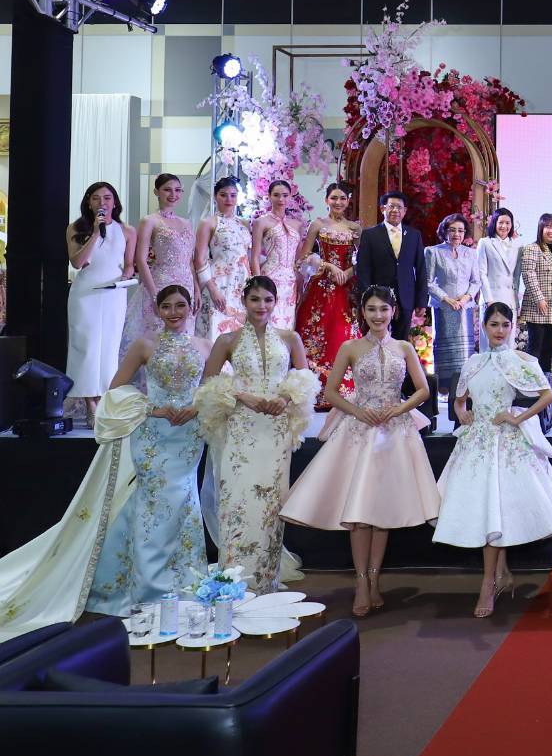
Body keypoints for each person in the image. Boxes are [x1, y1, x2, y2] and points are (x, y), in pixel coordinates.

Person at [0, 286, 208, 638]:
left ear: (192, 308)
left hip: (188, 437)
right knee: (152, 506)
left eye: (180, 305)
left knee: (186, 503)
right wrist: (152, 408)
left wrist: (197, 406)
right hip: (154, 434)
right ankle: (150, 591)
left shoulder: (205, 346)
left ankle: (186, 582)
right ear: (157, 310)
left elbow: (213, 389)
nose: (174, 312)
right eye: (167, 306)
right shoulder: (144, 345)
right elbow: (115, 390)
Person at [282, 286, 441, 618]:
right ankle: (361, 583)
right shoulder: (350, 347)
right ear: (363, 312)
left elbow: (423, 389)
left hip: (395, 432)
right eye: (371, 309)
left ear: (393, 311)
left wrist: (400, 409)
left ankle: (374, 578)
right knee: (359, 517)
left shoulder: (404, 347)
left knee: (381, 514)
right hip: (360, 430)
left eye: (383, 309)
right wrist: (358, 412)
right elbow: (330, 392)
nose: (377, 315)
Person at [433, 303, 552, 619]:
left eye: (505, 325)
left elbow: (547, 396)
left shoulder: (518, 361)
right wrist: (462, 413)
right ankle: (501, 574)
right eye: (494, 324)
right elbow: (459, 400)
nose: (499, 330)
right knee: (488, 509)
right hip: (476, 443)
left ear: (512, 327)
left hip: (505, 443)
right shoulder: (473, 362)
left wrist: (517, 416)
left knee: (497, 507)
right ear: (483, 326)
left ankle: (489, 583)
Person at [195, 275, 317, 592]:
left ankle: (265, 582)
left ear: (275, 302)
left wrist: (285, 398)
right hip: (241, 429)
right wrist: (242, 396)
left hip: (275, 432)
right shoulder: (227, 341)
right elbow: (207, 384)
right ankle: (234, 583)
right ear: (244, 301)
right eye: (255, 299)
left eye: (267, 300)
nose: (261, 306)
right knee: (236, 501)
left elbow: (305, 379)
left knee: (271, 508)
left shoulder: (290, 338)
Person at [66, 181, 133, 415]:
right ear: (88, 203)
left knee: (108, 348)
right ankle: (90, 404)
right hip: (86, 294)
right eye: (95, 198)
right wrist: (95, 232)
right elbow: (77, 262)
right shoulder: (76, 228)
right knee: (86, 347)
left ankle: (105, 400)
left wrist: (126, 276)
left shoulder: (127, 231)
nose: (101, 202)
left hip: (114, 294)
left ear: (115, 203)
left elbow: (130, 264)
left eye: (107, 198)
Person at [295, 182, 362, 404]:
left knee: (343, 334)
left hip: (347, 288)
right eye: (334, 198)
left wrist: (349, 272)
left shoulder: (355, 228)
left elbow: (363, 259)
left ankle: (344, 391)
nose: (338, 202)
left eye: (342, 198)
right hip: (322, 286)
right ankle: (317, 390)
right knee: (317, 333)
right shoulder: (318, 224)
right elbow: (304, 258)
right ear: (326, 200)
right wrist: (329, 266)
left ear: (348, 201)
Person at [121, 172, 197, 363]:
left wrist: (196, 289)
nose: (173, 195)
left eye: (178, 190)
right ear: (156, 192)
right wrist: (155, 295)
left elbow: (190, 261)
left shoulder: (186, 223)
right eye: (167, 190)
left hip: (187, 286)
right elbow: (141, 259)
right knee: (159, 339)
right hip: (161, 284)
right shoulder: (150, 221)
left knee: (184, 338)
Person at [427, 214, 484, 422]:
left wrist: (465, 298)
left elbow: (476, 281)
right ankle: (444, 390)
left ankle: (463, 390)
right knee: (445, 349)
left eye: (460, 230)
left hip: (464, 307)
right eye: (452, 230)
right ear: (445, 231)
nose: (456, 234)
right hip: (443, 307)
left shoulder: (470, 253)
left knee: (464, 352)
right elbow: (428, 281)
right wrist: (447, 299)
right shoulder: (433, 251)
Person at [356, 191, 428, 342]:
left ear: (405, 211)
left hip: (406, 297)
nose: (395, 210)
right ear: (383, 209)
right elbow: (363, 268)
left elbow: (421, 269)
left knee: (401, 342)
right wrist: (366, 296)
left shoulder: (414, 235)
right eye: (391, 206)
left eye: (399, 207)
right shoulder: (370, 235)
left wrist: (421, 301)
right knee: (375, 339)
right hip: (377, 297)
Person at [195, 176, 251, 342]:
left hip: (242, 284)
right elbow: (199, 259)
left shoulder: (244, 223)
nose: (229, 199)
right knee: (217, 330)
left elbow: (247, 255)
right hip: (219, 282)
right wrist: (213, 289)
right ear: (215, 196)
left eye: (233, 195)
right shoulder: (209, 223)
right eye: (223, 195)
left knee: (240, 336)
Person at [250, 180, 304, 330]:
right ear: (269, 196)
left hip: (291, 282)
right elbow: (255, 256)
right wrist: (258, 282)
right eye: (276, 195)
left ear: (290, 196)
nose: (281, 199)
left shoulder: (297, 224)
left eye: (285, 195)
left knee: (288, 324)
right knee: (269, 323)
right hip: (269, 278)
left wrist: (300, 284)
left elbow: (299, 259)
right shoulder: (261, 222)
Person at [519, 213, 552, 371]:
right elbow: (528, 274)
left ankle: (545, 378)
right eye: (548, 227)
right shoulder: (532, 248)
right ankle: (531, 380)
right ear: (541, 228)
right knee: (535, 347)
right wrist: (539, 298)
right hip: (537, 305)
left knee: (548, 347)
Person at [477, 207, 523, 336]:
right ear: (494, 223)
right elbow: (481, 273)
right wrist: (489, 300)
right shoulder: (485, 243)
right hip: (491, 299)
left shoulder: (518, 245)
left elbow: (516, 276)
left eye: (508, 223)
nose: (504, 226)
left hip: (510, 300)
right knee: (490, 341)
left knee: (508, 341)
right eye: (501, 222)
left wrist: (516, 302)